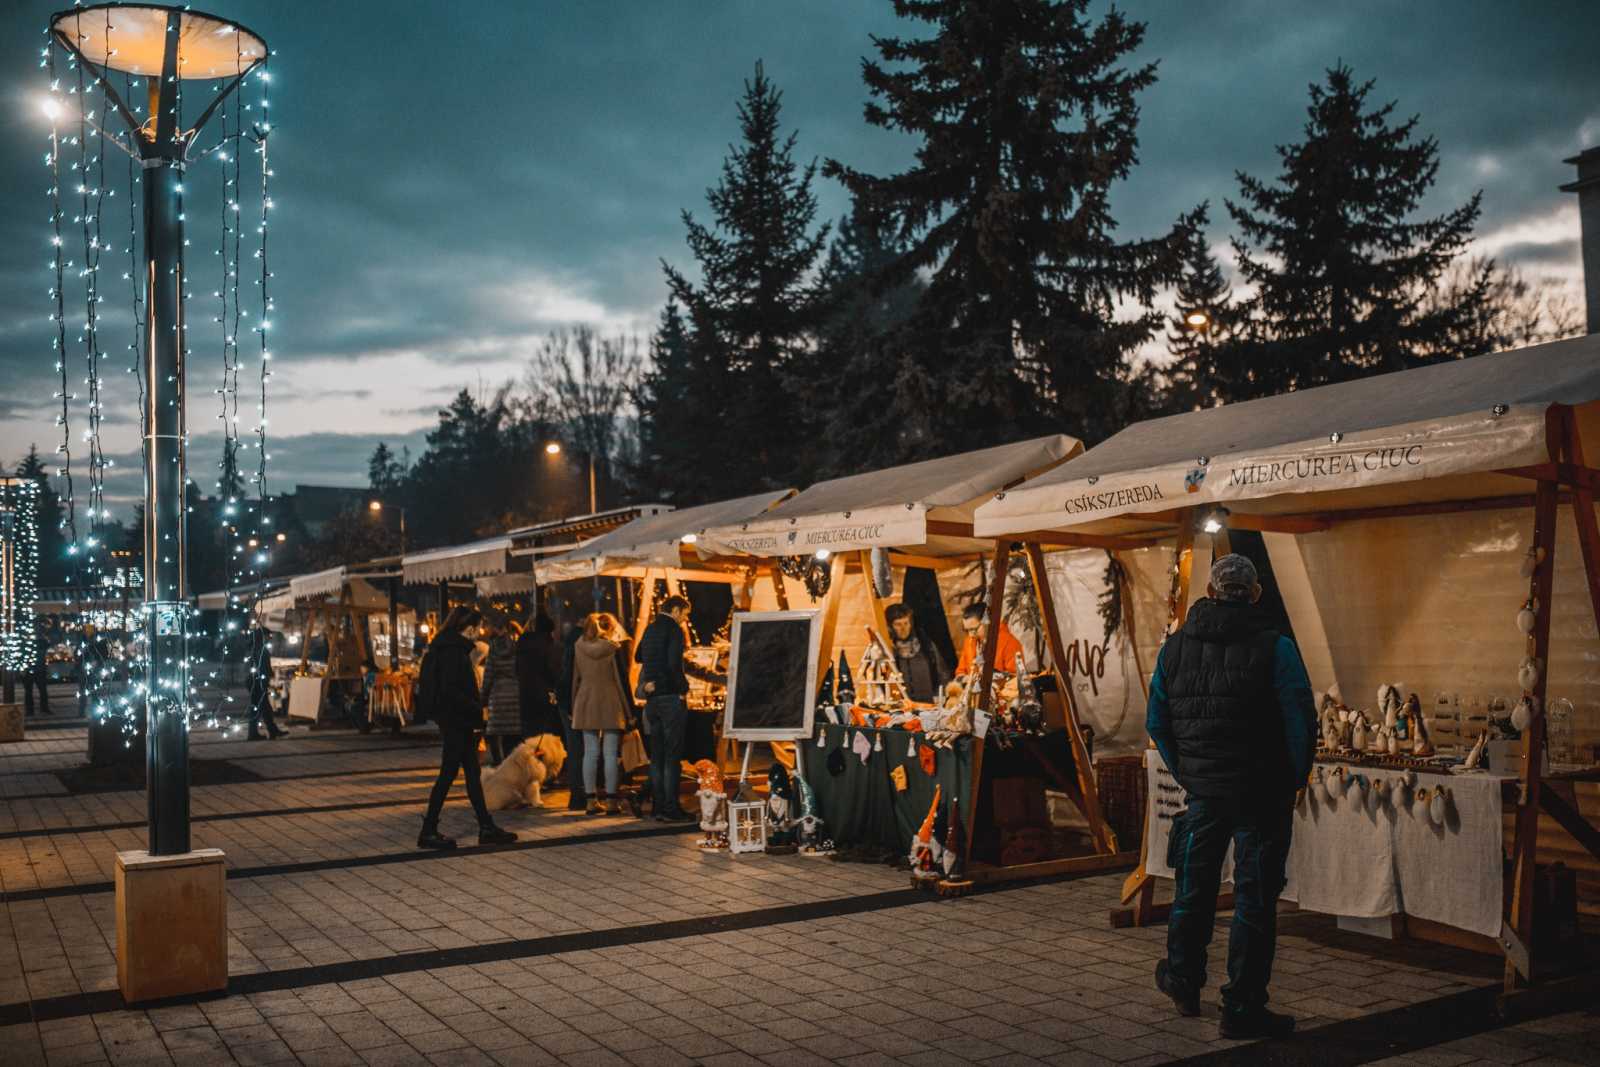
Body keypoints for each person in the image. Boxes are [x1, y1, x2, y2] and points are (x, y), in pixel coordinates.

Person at [1146, 554, 1315, 1039]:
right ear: (1256, 594)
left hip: (1205, 794)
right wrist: (1295, 777)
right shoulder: (1275, 647)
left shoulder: (1174, 649)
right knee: (1255, 900)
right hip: (1263, 794)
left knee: (1193, 890)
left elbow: (1158, 721)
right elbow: (1299, 718)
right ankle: (1242, 1006)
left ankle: (1182, 979)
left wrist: (1191, 773)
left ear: (1211, 591)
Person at [416, 605, 518, 850]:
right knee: (448, 775)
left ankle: (485, 826)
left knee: (471, 775)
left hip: (456, 721)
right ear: (469, 628)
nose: (480, 632)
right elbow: (452, 690)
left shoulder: (447, 647)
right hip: (457, 722)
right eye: (478, 627)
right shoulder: (453, 651)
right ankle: (429, 830)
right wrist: (475, 709)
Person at [635, 595, 696, 822]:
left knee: (657, 756)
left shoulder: (650, 629)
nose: (684, 620)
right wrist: (683, 687)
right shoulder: (673, 630)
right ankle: (671, 808)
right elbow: (673, 665)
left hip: (652, 701)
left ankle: (658, 807)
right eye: (685, 615)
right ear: (677, 610)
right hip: (670, 697)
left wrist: (652, 679)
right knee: (672, 756)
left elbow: (638, 655)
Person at [570, 612, 632, 815]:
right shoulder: (613, 648)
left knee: (589, 753)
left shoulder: (578, 646)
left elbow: (575, 678)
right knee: (610, 754)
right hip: (610, 700)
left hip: (585, 699)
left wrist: (573, 705)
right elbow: (621, 681)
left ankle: (590, 800)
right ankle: (612, 801)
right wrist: (629, 711)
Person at [884, 603, 948, 704]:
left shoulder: (926, 646)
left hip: (929, 704)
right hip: (901, 706)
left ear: (911, 623)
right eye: (898, 624)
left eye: (906, 623)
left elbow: (942, 673)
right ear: (890, 626)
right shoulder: (887, 650)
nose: (903, 628)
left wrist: (940, 696)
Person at [480, 618, 523, 764]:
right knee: (514, 737)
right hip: (516, 695)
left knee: (497, 736)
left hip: (497, 696)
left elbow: (488, 675)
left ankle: (500, 765)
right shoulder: (519, 649)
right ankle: (513, 765)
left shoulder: (494, 648)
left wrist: (483, 697)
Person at [516, 612, 563, 740]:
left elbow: (516, 670)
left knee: (529, 738)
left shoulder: (521, 645)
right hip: (544, 697)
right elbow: (554, 672)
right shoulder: (549, 646)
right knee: (545, 738)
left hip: (524, 696)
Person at [557, 619, 587, 811]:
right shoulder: (578, 654)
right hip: (573, 705)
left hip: (566, 704)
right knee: (579, 750)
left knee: (576, 749)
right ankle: (579, 795)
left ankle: (577, 795)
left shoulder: (566, 652)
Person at [954, 602, 1024, 679]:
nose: (970, 635)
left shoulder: (1009, 642)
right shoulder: (969, 641)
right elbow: (960, 673)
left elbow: (1016, 677)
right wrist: (967, 679)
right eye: (966, 630)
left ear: (987, 622)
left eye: (974, 629)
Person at [246, 624, 286, 740]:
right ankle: (255, 734)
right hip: (257, 682)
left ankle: (271, 731)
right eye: (268, 636)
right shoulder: (260, 649)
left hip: (255, 681)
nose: (270, 638)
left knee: (263, 708)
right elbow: (262, 668)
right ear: (263, 636)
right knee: (259, 709)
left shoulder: (256, 647)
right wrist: (266, 680)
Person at [22, 626, 52, 717]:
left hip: (32, 669)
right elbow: (47, 648)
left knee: (30, 691)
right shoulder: (43, 642)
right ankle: (43, 708)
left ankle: (31, 710)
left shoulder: (28, 643)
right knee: (41, 690)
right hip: (38, 669)